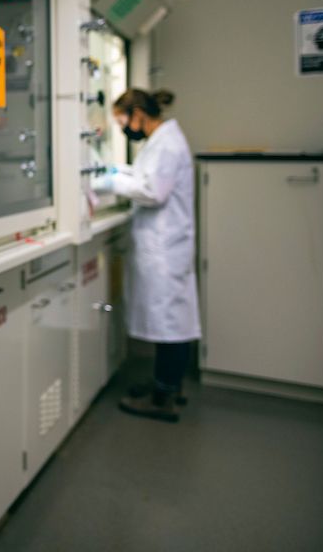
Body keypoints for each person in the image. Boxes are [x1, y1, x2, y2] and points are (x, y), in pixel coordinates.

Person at [94, 88, 199, 423]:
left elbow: (152, 190)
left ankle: (163, 397)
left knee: (169, 325)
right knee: (170, 321)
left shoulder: (167, 144)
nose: (125, 128)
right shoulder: (162, 141)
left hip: (165, 250)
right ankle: (166, 385)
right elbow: (145, 177)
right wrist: (117, 171)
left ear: (138, 113)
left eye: (123, 121)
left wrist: (111, 183)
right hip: (166, 247)